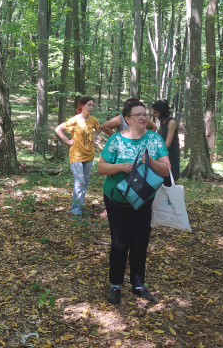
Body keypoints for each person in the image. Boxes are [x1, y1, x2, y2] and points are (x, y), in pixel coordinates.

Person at [97, 101, 170, 305]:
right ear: (127, 119)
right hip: (117, 199)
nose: (143, 117)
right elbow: (101, 168)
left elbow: (166, 170)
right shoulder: (116, 140)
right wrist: (121, 166)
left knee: (140, 242)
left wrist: (151, 161)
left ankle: (138, 284)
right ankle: (115, 284)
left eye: (145, 114)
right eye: (138, 114)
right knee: (120, 243)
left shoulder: (155, 139)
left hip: (144, 199)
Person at [55, 96, 100, 216]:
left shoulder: (93, 120)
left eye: (93, 105)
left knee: (85, 182)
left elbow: (99, 129)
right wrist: (68, 141)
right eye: (89, 105)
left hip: (89, 155)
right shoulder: (75, 120)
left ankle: (80, 205)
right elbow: (58, 129)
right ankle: (76, 210)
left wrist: (94, 137)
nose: (91, 107)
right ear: (82, 106)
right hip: (77, 156)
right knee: (79, 182)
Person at [151, 99, 180, 181]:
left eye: (156, 113)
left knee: (171, 176)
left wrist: (158, 153)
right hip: (163, 153)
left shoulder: (171, 122)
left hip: (170, 153)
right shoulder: (162, 121)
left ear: (162, 112)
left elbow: (168, 143)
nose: (155, 115)